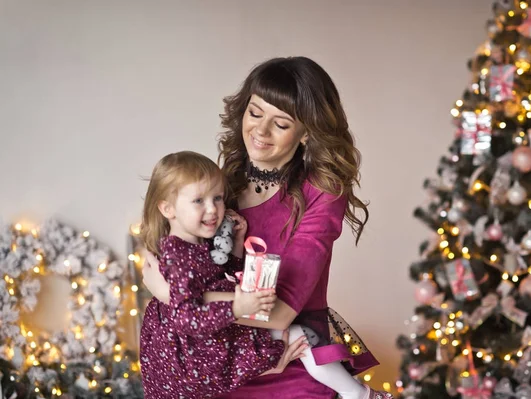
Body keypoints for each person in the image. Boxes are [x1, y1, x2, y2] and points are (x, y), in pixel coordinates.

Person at [143, 57, 392, 399]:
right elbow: (163, 245)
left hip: (291, 355)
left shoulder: (322, 192)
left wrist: (174, 297)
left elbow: (280, 314)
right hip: (221, 362)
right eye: (255, 113)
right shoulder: (220, 185)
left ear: (306, 132)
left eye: (281, 123)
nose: (260, 131)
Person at [139, 151, 289, 398]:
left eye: (217, 197)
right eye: (198, 200)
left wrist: (238, 244)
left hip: (196, 351)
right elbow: (187, 318)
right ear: (167, 208)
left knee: (286, 336)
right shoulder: (177, 256)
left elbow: (220, 280)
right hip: (185, 363)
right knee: (284, 338)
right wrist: (236, 308)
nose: (213, 209)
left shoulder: (197, 244)